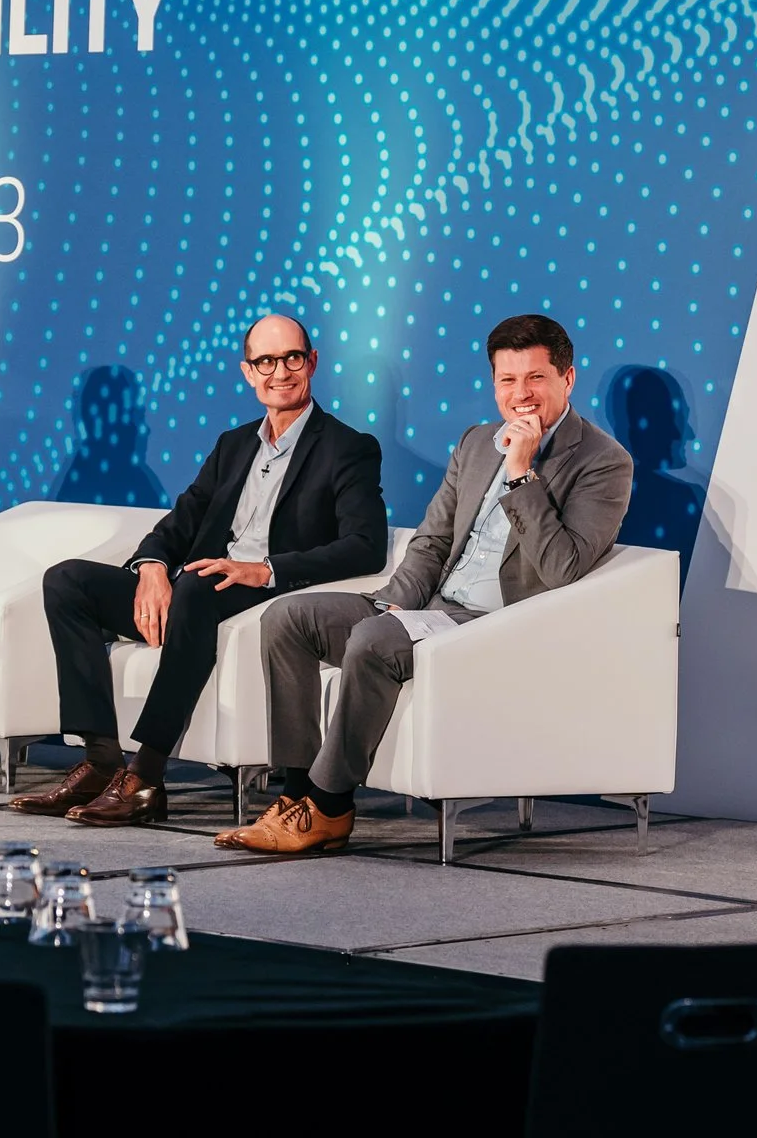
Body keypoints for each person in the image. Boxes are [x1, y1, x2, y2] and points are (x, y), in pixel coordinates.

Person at [215, 312, 632, 854]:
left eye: (535, 378)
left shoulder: (603, 461)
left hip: (495, 625)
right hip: (431, 610)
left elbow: (563, 569)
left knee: (372, 643)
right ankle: (296, 797)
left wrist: (523, 472)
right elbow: (432, 543)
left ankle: (331, 807)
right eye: (508, 380)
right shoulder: (478, 442)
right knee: (288, 618)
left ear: (567, 379)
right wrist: (391, 604)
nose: (520, 394)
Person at [10, 313, 387, 825]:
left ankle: (146, 774)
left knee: (198, 583)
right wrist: (151, 567)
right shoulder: (233, 445)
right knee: (68, 581)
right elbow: (182, 519)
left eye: (292, 357)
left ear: (312, 363)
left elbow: (365, 547)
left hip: (266, 591)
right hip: (199, 585)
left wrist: (267, 568)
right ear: (248, 372)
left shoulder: (348, 447)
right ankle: (101, 760)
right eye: (266, 361)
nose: (281, 372)